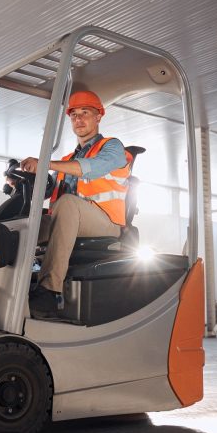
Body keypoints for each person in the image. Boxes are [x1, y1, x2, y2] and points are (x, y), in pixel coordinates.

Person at [21, 90, 132, 317]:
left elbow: (90, 168)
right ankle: (12, 285)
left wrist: (43, 163)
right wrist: (24, 180)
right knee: (21, 224)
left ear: (99, 117)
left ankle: (49, 290)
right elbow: (50, 190)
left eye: (85, 113)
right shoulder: (66, 160)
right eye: (74, 115)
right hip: (67, 218)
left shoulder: (112, 148)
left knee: (68, 203)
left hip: (105, 222)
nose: (78, 119)